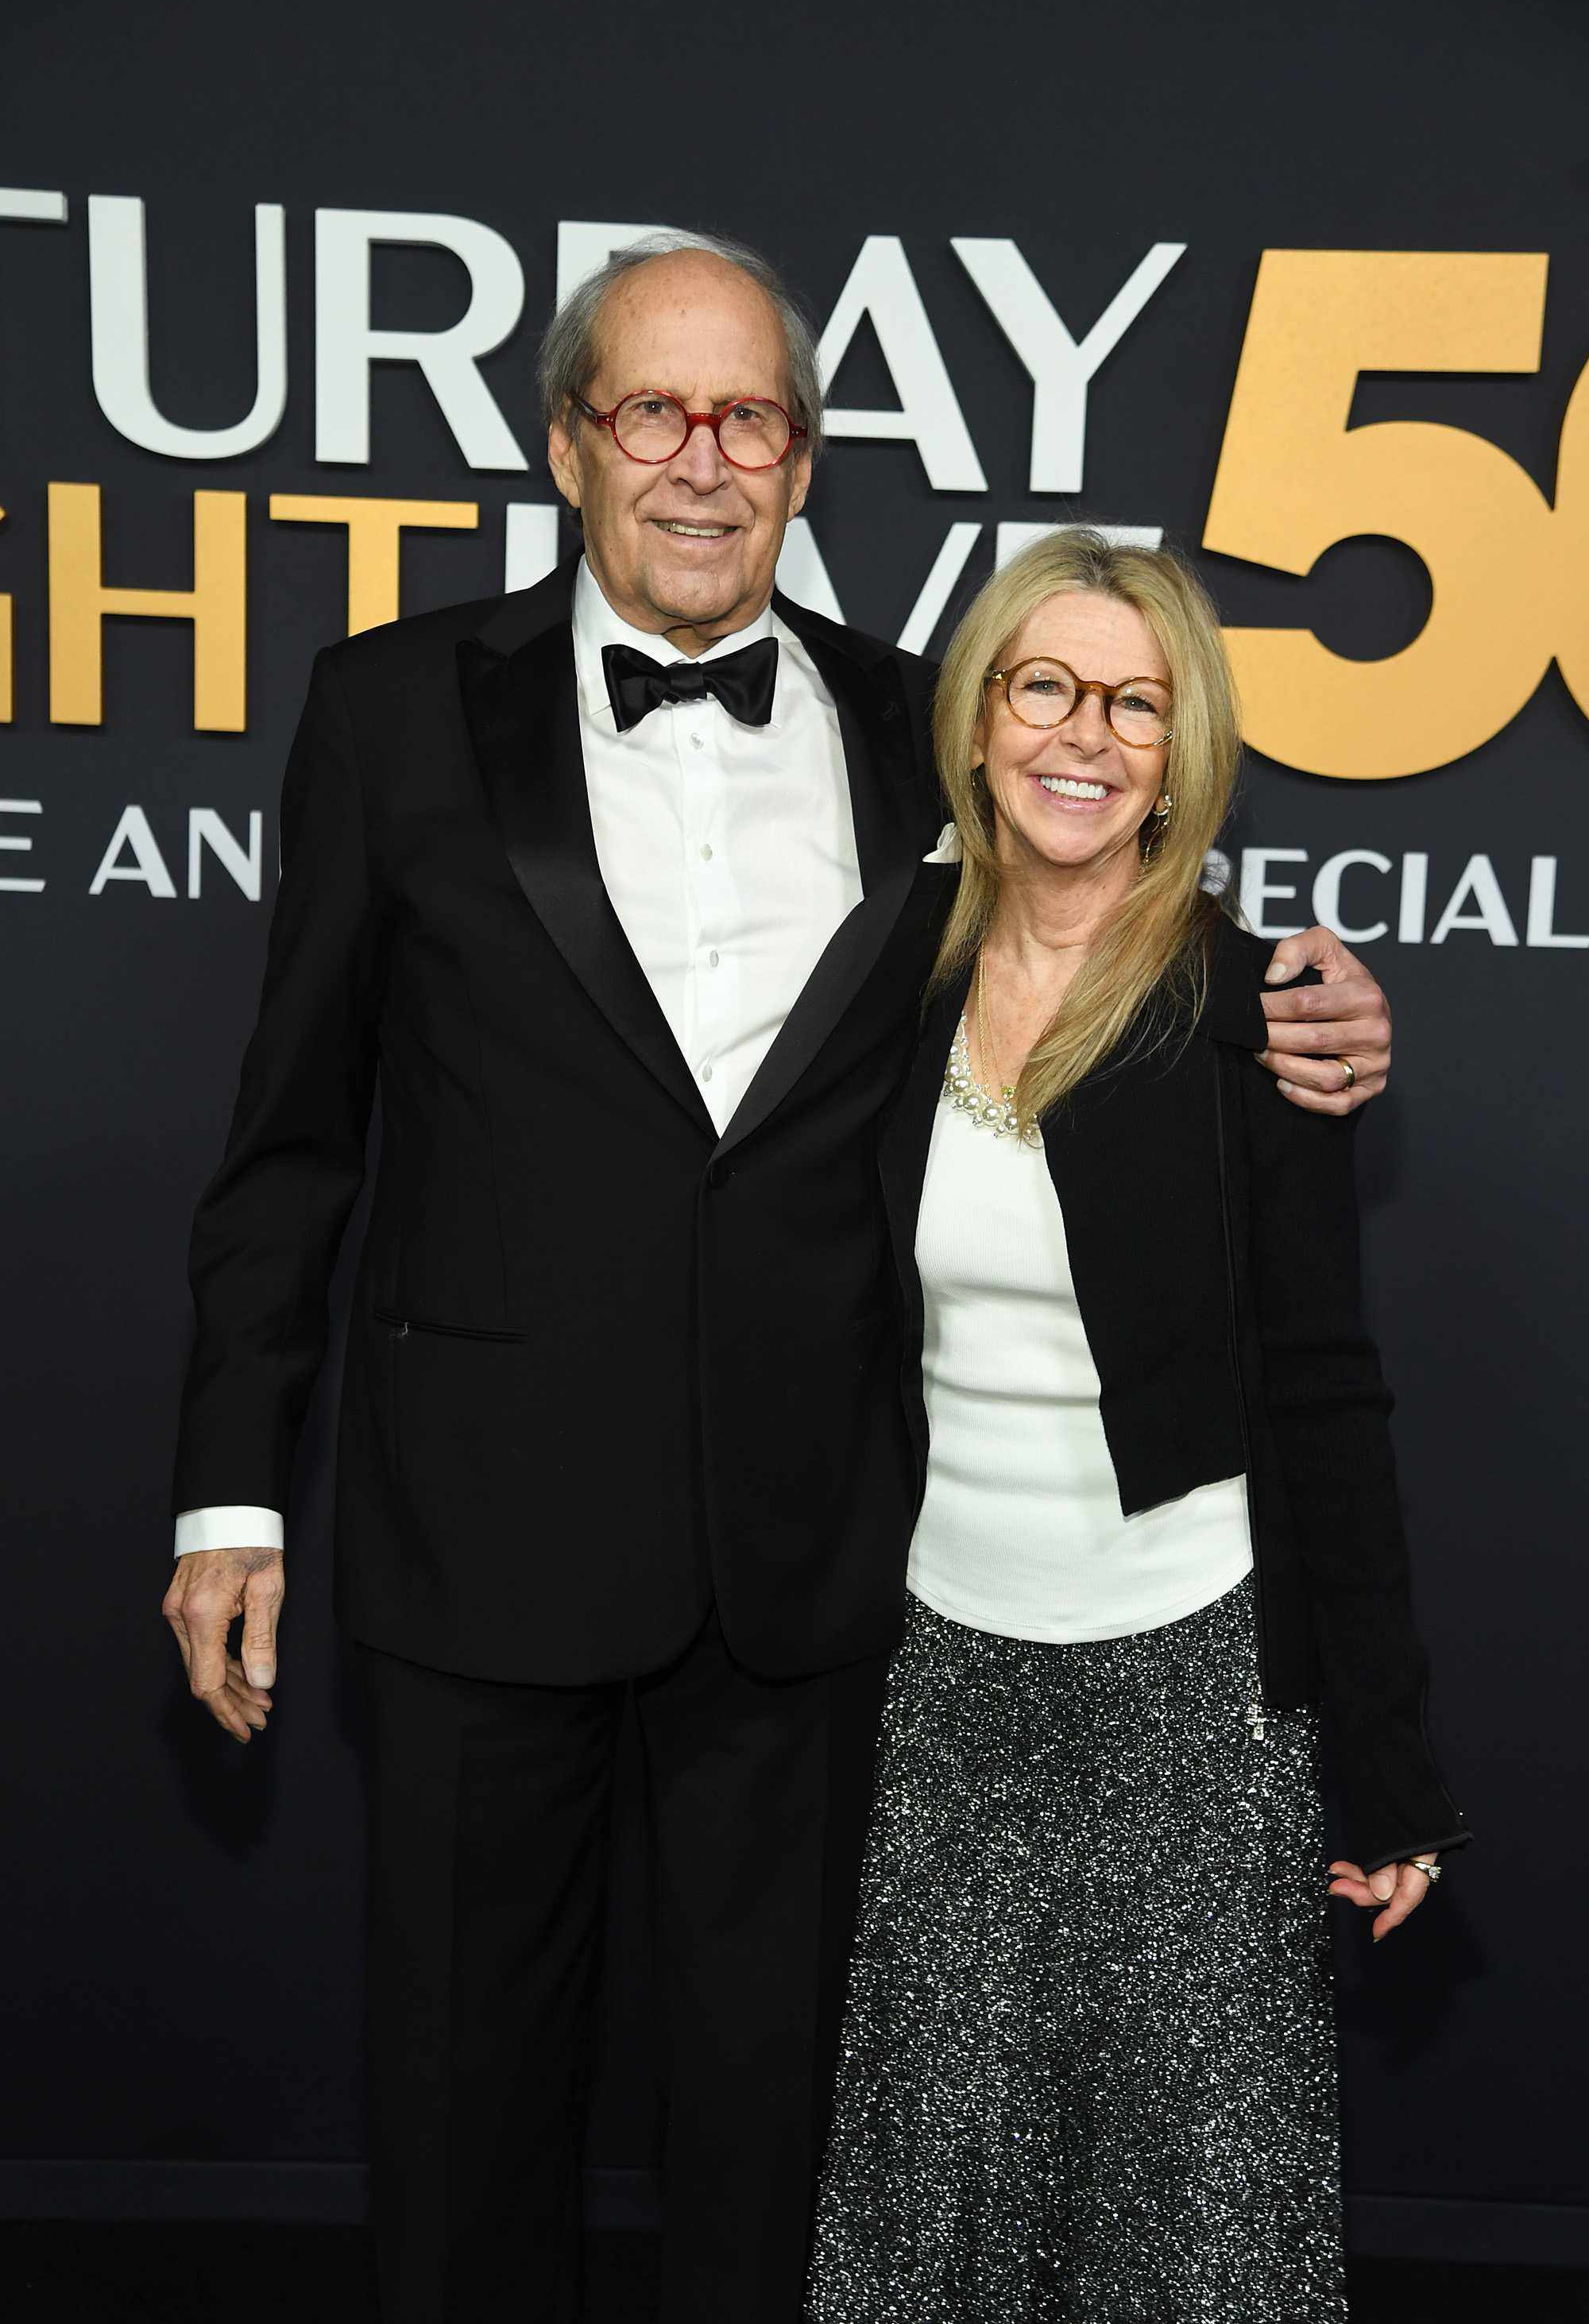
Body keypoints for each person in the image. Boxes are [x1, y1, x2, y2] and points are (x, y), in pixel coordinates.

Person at [159, 235, 1394, 2324]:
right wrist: (225, 1490)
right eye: (655, 409)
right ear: (568, 442)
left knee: (781, 2155)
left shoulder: (934, 726)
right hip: (479, 1541)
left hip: (808, 1559)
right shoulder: (391, 712)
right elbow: (291, 1141)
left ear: (809, 461)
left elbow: (1108, 924)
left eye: (750, 419)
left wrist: (1310, 1001)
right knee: (465, 2127)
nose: (703, 461)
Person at [805, 528, 1469, 2324]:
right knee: (936, 2190)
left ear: (1183, 750)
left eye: (1135, 701)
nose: (1082, 735)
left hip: (1190, 1697)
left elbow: (1329, 1392)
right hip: (945, 1687)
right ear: (977, 715)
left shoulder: (1267, 1016)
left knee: (1187, 2228)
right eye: (1044, 685)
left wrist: (1389, 1763)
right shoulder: (892, 978)